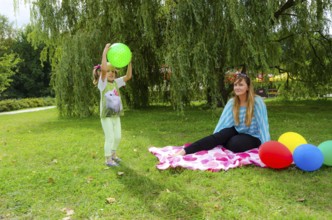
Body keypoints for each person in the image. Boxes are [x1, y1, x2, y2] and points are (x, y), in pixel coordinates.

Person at [173, 71, 270, 156]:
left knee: (235, 144)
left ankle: (229, 142)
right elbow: (223, 123)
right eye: (235, 85)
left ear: (248, 87)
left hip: (253, 136)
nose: (237, 87)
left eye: (241, 85)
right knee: (219, 137)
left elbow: (263, 125)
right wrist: (216, 139)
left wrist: (266, 147)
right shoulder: (232, 102)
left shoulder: (257, 102)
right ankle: (185, 151)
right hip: (237, 130)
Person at [93, 43, 132, 166]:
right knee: (109, 137)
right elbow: (103, 69)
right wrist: (104, 52)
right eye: (108, 71)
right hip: (106, 115)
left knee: (118, 136)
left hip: (116, 114)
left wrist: (129, 61)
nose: (111, 73)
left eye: (113, 71)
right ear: (102, 74)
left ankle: (114, 154)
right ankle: (108, 159)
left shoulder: (116, 82)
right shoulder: (102, 84)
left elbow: (128, 76)